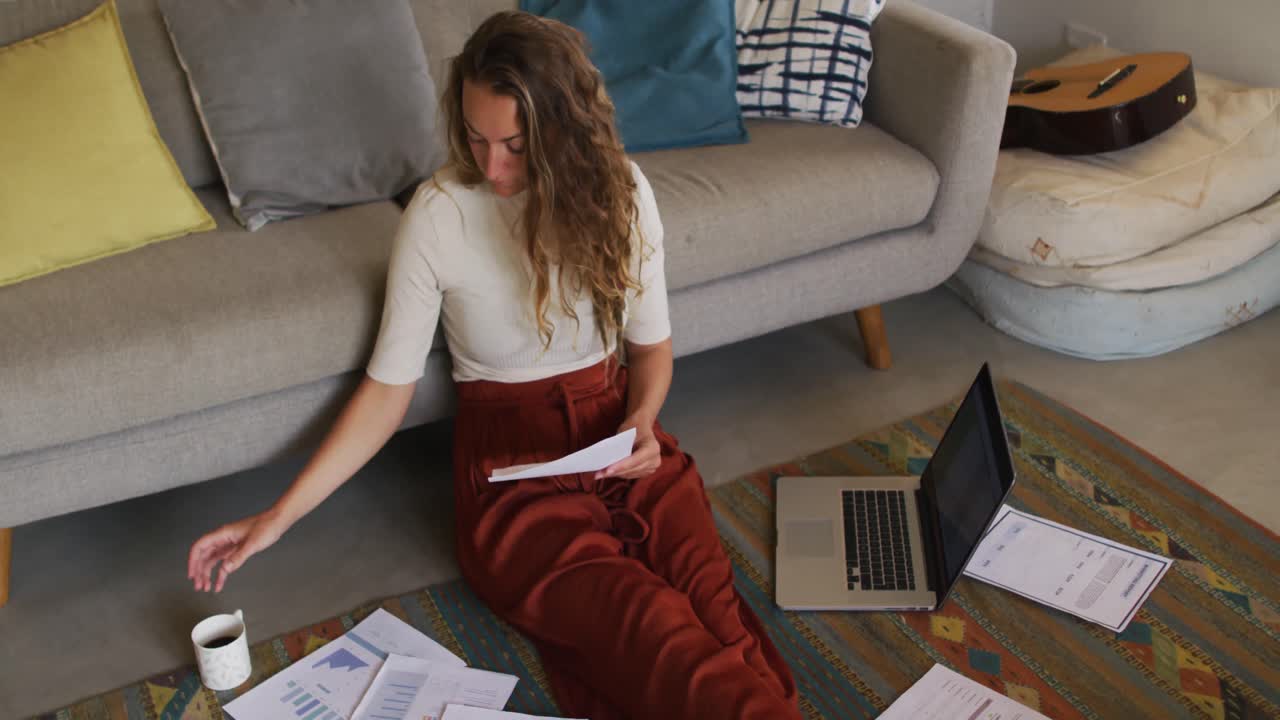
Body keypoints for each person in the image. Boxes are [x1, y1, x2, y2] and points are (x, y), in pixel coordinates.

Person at [186, 11, 800, 720]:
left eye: (515, 144)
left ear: (564, 133)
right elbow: (386, 395)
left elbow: (650, 350)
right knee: (655, 630)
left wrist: (641, 419)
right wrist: (277, 518)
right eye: (476, 139)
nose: (492, 166)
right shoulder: (440, 215)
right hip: (514, 486)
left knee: (719, 619)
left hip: (620, 445)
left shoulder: (622, 193)